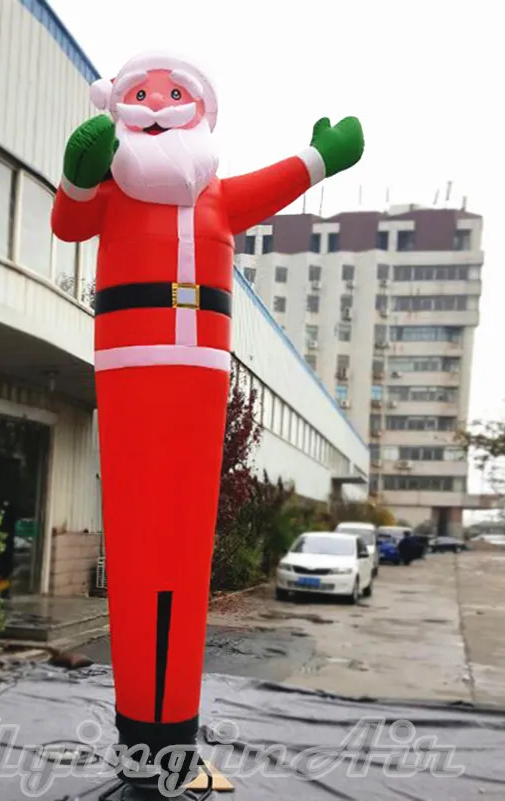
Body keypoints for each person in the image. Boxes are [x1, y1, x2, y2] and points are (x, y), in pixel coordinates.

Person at [51, 50, 365, 783]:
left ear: (200, 111)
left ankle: (173, 741)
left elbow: (280, 182)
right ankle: (144, 745)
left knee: (183, 538)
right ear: (118, 107)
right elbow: (69, 222)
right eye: (141, 93)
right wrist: (76, 171)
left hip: (199, 374)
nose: (157, 103)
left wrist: (321, 157)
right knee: (137, 530)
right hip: (129, 365)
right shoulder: (113, 192)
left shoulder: (218, 196)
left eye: (172, 93)